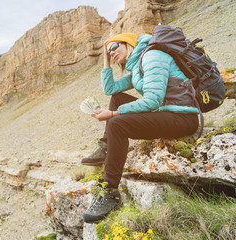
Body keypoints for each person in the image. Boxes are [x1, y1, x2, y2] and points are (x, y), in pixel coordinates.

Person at [82, 33, 199, 223]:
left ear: (128, 44)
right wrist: (104, 58)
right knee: (117, 98)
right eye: (108, 50)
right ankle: (106, 147)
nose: (111, 53)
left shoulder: (152, 57)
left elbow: (153, 101)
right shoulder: (137, 65)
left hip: (182, 117)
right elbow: (110, 89)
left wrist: (112, 114)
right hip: (166, 113)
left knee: (117, 123)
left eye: (114, 47)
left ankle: (110, 192)